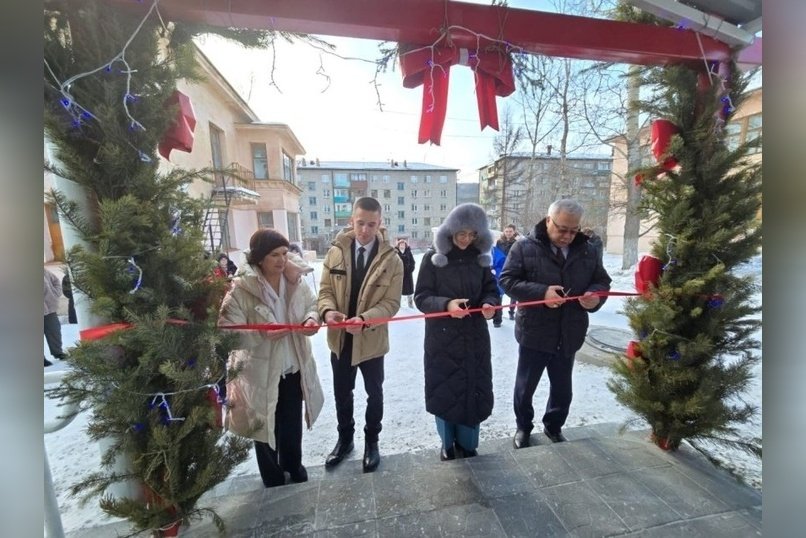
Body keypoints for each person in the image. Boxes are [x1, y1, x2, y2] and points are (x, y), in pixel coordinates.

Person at [500, 199, 611, 447]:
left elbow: (602, 281)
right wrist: (541, 293)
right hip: (535, 332)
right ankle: (523, 428)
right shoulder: (524, 247)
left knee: (563, 390)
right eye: (562, 229)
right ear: (548, 220)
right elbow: (506, 281)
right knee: (525, 387)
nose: (568, 236)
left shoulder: (588, 249)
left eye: (574, 230)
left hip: (569, 331)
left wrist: (595, 296)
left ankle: (554, 426)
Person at [218, 228, 325, 488]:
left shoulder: (295, 281)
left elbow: (312, 305)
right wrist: (261, 334)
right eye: (274, 255)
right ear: (259, 258)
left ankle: (292, 464)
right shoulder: (240, 289)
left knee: (291, 422)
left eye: (285, 254)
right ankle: (272, 473)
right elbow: (227, 331)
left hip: (293, 364)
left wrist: (312, 319)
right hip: (260, 371)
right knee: (263, 422)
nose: (281, 260)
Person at [318, 197, 404, 473]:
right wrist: (328, 311)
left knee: (374, 394)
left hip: (371, 340)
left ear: (380, 224)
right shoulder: (336, 252)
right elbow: (325, 291)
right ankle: (345, 440)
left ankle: (372, 442)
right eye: (360, 223)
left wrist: (365, 320)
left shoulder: (392, 261)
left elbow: (391, 304)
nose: (365, 230)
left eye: (371, 224)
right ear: (351, 221)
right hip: (340, 339)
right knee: (342, 393)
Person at [414, 203, 499, 460]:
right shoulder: (433, 259)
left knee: (473, 387)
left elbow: (491, 289)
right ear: (450, 231)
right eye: (461, 233)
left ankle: (468, 442)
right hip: (442, 338)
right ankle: (447, 443)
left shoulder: (481, 259)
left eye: (472, 234)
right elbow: (421, 297)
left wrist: (489, 304)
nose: (465, 239)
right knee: (445, 390)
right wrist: (446, 305)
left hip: (474, 337)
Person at [491, 224, 519, 327]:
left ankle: (511, 311)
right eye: (506, 231)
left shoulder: (517, 243)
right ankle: (498, 318)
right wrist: (494, 267)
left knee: (513, 292)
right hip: (500, 270)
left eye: (510, 231)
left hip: (513, 269)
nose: (508, 233)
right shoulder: (499, 242)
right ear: (504, 231)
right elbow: (496, 255)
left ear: (514, 232)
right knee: (499, 293)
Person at [44, 268, 66, 366]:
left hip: (49, 308)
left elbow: (56, 281)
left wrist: (55, 294)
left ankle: (58, 352)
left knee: (54, 330)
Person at [395, 238, 416, 307]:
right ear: (398, 245)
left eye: (403, 244)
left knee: (409, 290)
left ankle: (410, 304)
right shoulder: (396, 252)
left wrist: (410, 269)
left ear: (405, 245)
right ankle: (398, 305)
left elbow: (413, 262)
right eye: (401, 244)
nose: (402, 245)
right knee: (398, 290)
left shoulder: (408, 252)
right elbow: (393, 262)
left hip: (408, 274)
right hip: (399, 274)